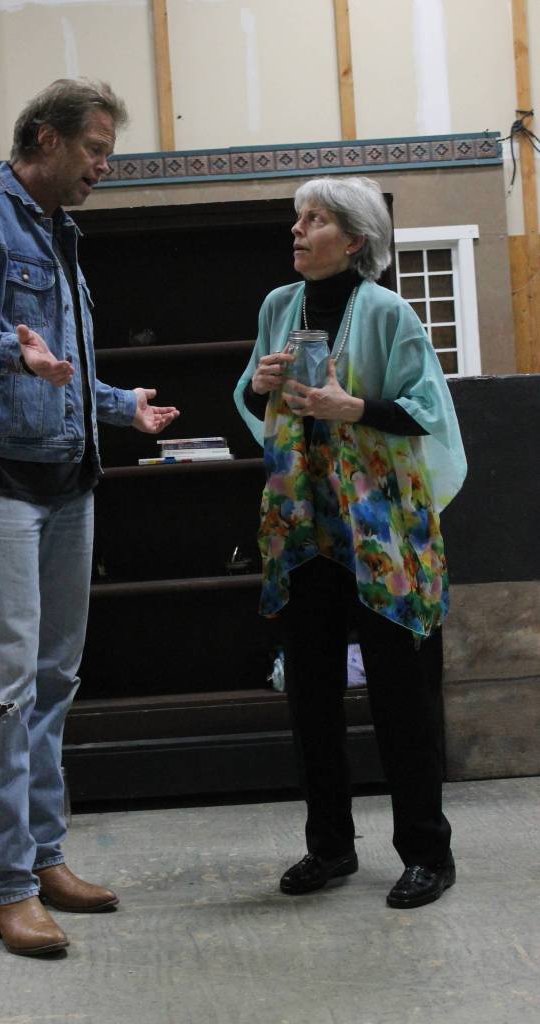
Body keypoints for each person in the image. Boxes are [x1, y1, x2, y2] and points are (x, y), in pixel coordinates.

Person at [0, 78, 179, 956]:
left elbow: (52, 364)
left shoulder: (59, 233)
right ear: (46, 139)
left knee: (53, 682)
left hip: (65, 474)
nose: (104, 167)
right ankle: (5, 886)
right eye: (95, 150)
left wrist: (116, 403)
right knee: (2, 691)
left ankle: (45, 855)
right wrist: (13, 356)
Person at [234, 176, 466, 909]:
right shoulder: (279, 305)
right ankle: (328, 847)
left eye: (316, 220)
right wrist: (261, 382)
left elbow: (425, 407)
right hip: (305, 525)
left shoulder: (389, 310)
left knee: (403, 692)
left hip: (382, 528)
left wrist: (352, 406)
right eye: (296, 219)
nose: (297, 232)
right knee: (310, 692)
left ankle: (426, 852)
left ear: (356, 239)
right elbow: (251, 398)